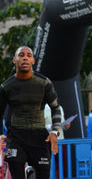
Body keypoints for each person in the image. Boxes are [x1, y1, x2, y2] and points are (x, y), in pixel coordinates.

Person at [0, 46, 61, 179]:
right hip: (16, 136)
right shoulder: (6, 87)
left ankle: (31, 173)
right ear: (14, 60)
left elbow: (55, 107)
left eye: (28, 55)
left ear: (33, 60)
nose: (25, 58)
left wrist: (55, 132)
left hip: (39, 137)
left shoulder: (44, 82)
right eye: (21, 55)